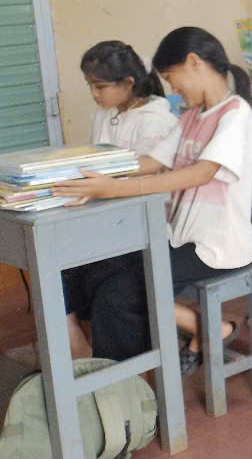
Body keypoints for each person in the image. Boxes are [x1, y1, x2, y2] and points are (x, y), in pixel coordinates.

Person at [55, 28, 252, 375]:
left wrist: (112, 189)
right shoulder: (192, 116)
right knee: (94, 272)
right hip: (177, 237)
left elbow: (200, 173)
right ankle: (117, 368)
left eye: (171, 78)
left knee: (116, 298)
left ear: (194, 63)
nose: (172, 89)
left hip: (215, 247)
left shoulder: (235, 114)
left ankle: (123, 385)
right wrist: (92, 178)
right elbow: (152, 161)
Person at [62, 41, 181, 359]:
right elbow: (97, 163)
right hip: (110, 219)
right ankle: (75, 340)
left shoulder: (156, 121)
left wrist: (100, 187)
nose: (93, 94)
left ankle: (117, 367)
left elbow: (145, 183)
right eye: (89, 85)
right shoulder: (105, 114)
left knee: (107, 287)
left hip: (148, 225)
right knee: (58, 260)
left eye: (100, 86)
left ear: (128, 83)